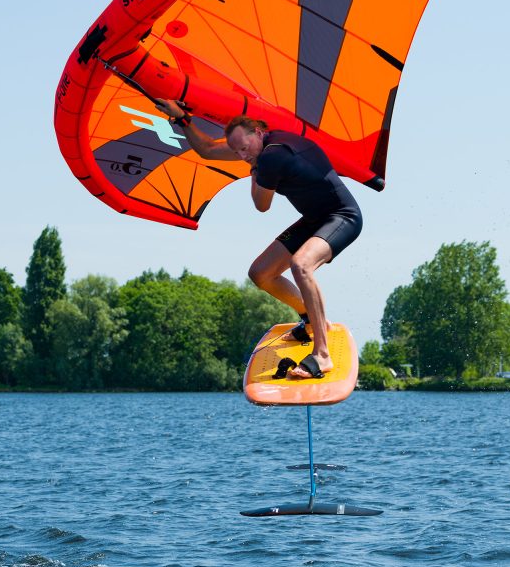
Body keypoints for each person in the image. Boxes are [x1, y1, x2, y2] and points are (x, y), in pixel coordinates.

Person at [155, 101, 362, 380]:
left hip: (342, 217)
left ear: (259, 131)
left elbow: (261, 205)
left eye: (245, 147)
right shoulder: (259, 151)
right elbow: (207, 150)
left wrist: (255, 169)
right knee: (261, 274)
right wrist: (181, 118)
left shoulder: (270, 157)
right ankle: (313, 319)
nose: (242, 154)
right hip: (314, 219)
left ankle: (322, 354)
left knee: (301, 265)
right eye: (238, 150)